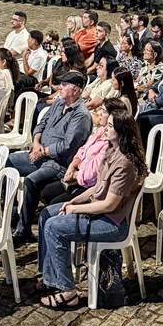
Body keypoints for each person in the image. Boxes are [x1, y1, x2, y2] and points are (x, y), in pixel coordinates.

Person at [36, 103, 147, 308]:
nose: (105, 128)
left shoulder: (125, 163)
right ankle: (50, 276)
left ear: (121, 133)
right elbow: (97, 187)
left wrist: (75, 209)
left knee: (54, 227)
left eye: (111, 126)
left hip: (112, 223)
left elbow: (109, 205)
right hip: (99, 211)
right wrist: (74, 200)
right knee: (47, 214)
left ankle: (68, 292)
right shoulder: (111, 151)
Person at [8, 72, 92, 243]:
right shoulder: (59, 102)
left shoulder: (81, 115)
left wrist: (44, 151)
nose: (59, 88)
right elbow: (41, 123)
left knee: (31, 181)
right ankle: (13, 215)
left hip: (57, 164)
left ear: (75, 90)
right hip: (39, 153)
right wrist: (36, 141)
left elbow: (68, 146)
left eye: (63, 85)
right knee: (7, 163)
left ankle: (23, 230)